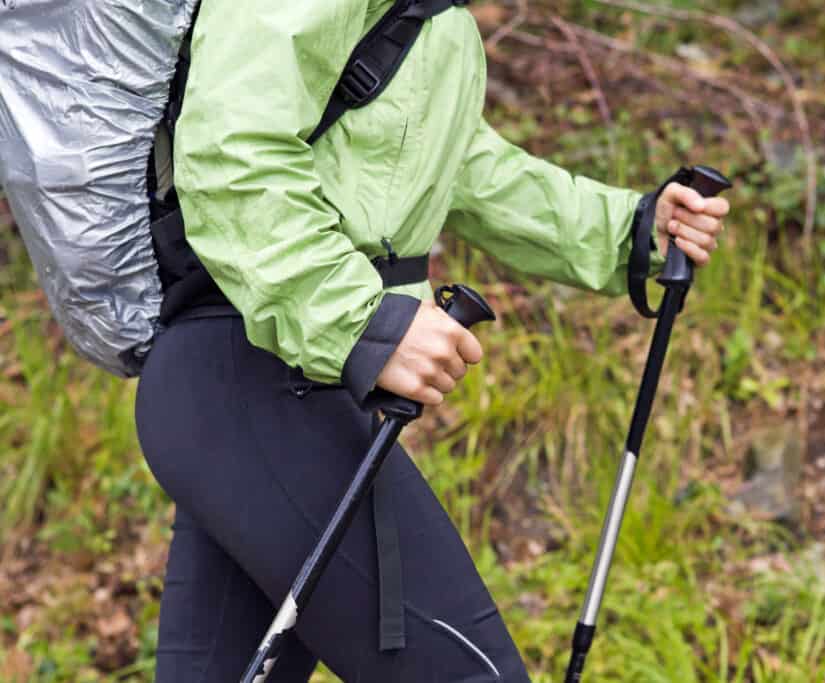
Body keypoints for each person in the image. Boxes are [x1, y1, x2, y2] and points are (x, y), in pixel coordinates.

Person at [133, 1, 730, 681]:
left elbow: (462, 167)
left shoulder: (434, 19)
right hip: (255, 376)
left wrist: (629, 228)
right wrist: (359, 320)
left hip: (269, 392)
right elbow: (230, 153)